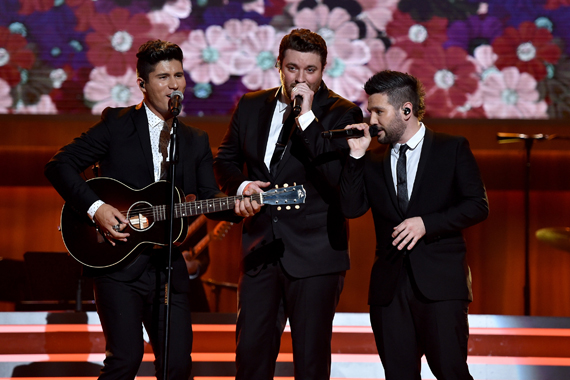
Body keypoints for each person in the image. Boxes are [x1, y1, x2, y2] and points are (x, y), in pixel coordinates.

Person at [44, 40, 256, 380]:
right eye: (163, 77)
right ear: (143, 85)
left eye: (179, 75)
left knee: (177, 367)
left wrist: (239, 205)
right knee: (124, 362)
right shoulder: (117, 124)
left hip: (168, 270)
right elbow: (60, 165)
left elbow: (209, 197)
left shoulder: (195, 139)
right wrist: (96, 208)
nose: (174, 84)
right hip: (117, 264)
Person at [213, 28, 363, 379]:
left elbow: (337, 180)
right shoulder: (251, 105)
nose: (301, 78)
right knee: (250, 357)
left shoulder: (342, 113)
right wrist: (244, 185)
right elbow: (225, 160)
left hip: (315, 255)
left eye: (310, 70)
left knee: (310, 362)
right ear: (279, 65)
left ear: (324, 69)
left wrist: (307, 119)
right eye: (293, 68)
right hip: (261, 249)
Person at [340, 70, 489, 380]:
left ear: (406, 110)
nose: (372, 120)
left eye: (379, 111)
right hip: (389, 289)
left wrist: (427, 223)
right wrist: (355, 156)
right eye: (371, 111)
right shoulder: (372, 160)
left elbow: (477, 206)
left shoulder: (452, 148)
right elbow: (351, 209)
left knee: (451, 372)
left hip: (441, 286)